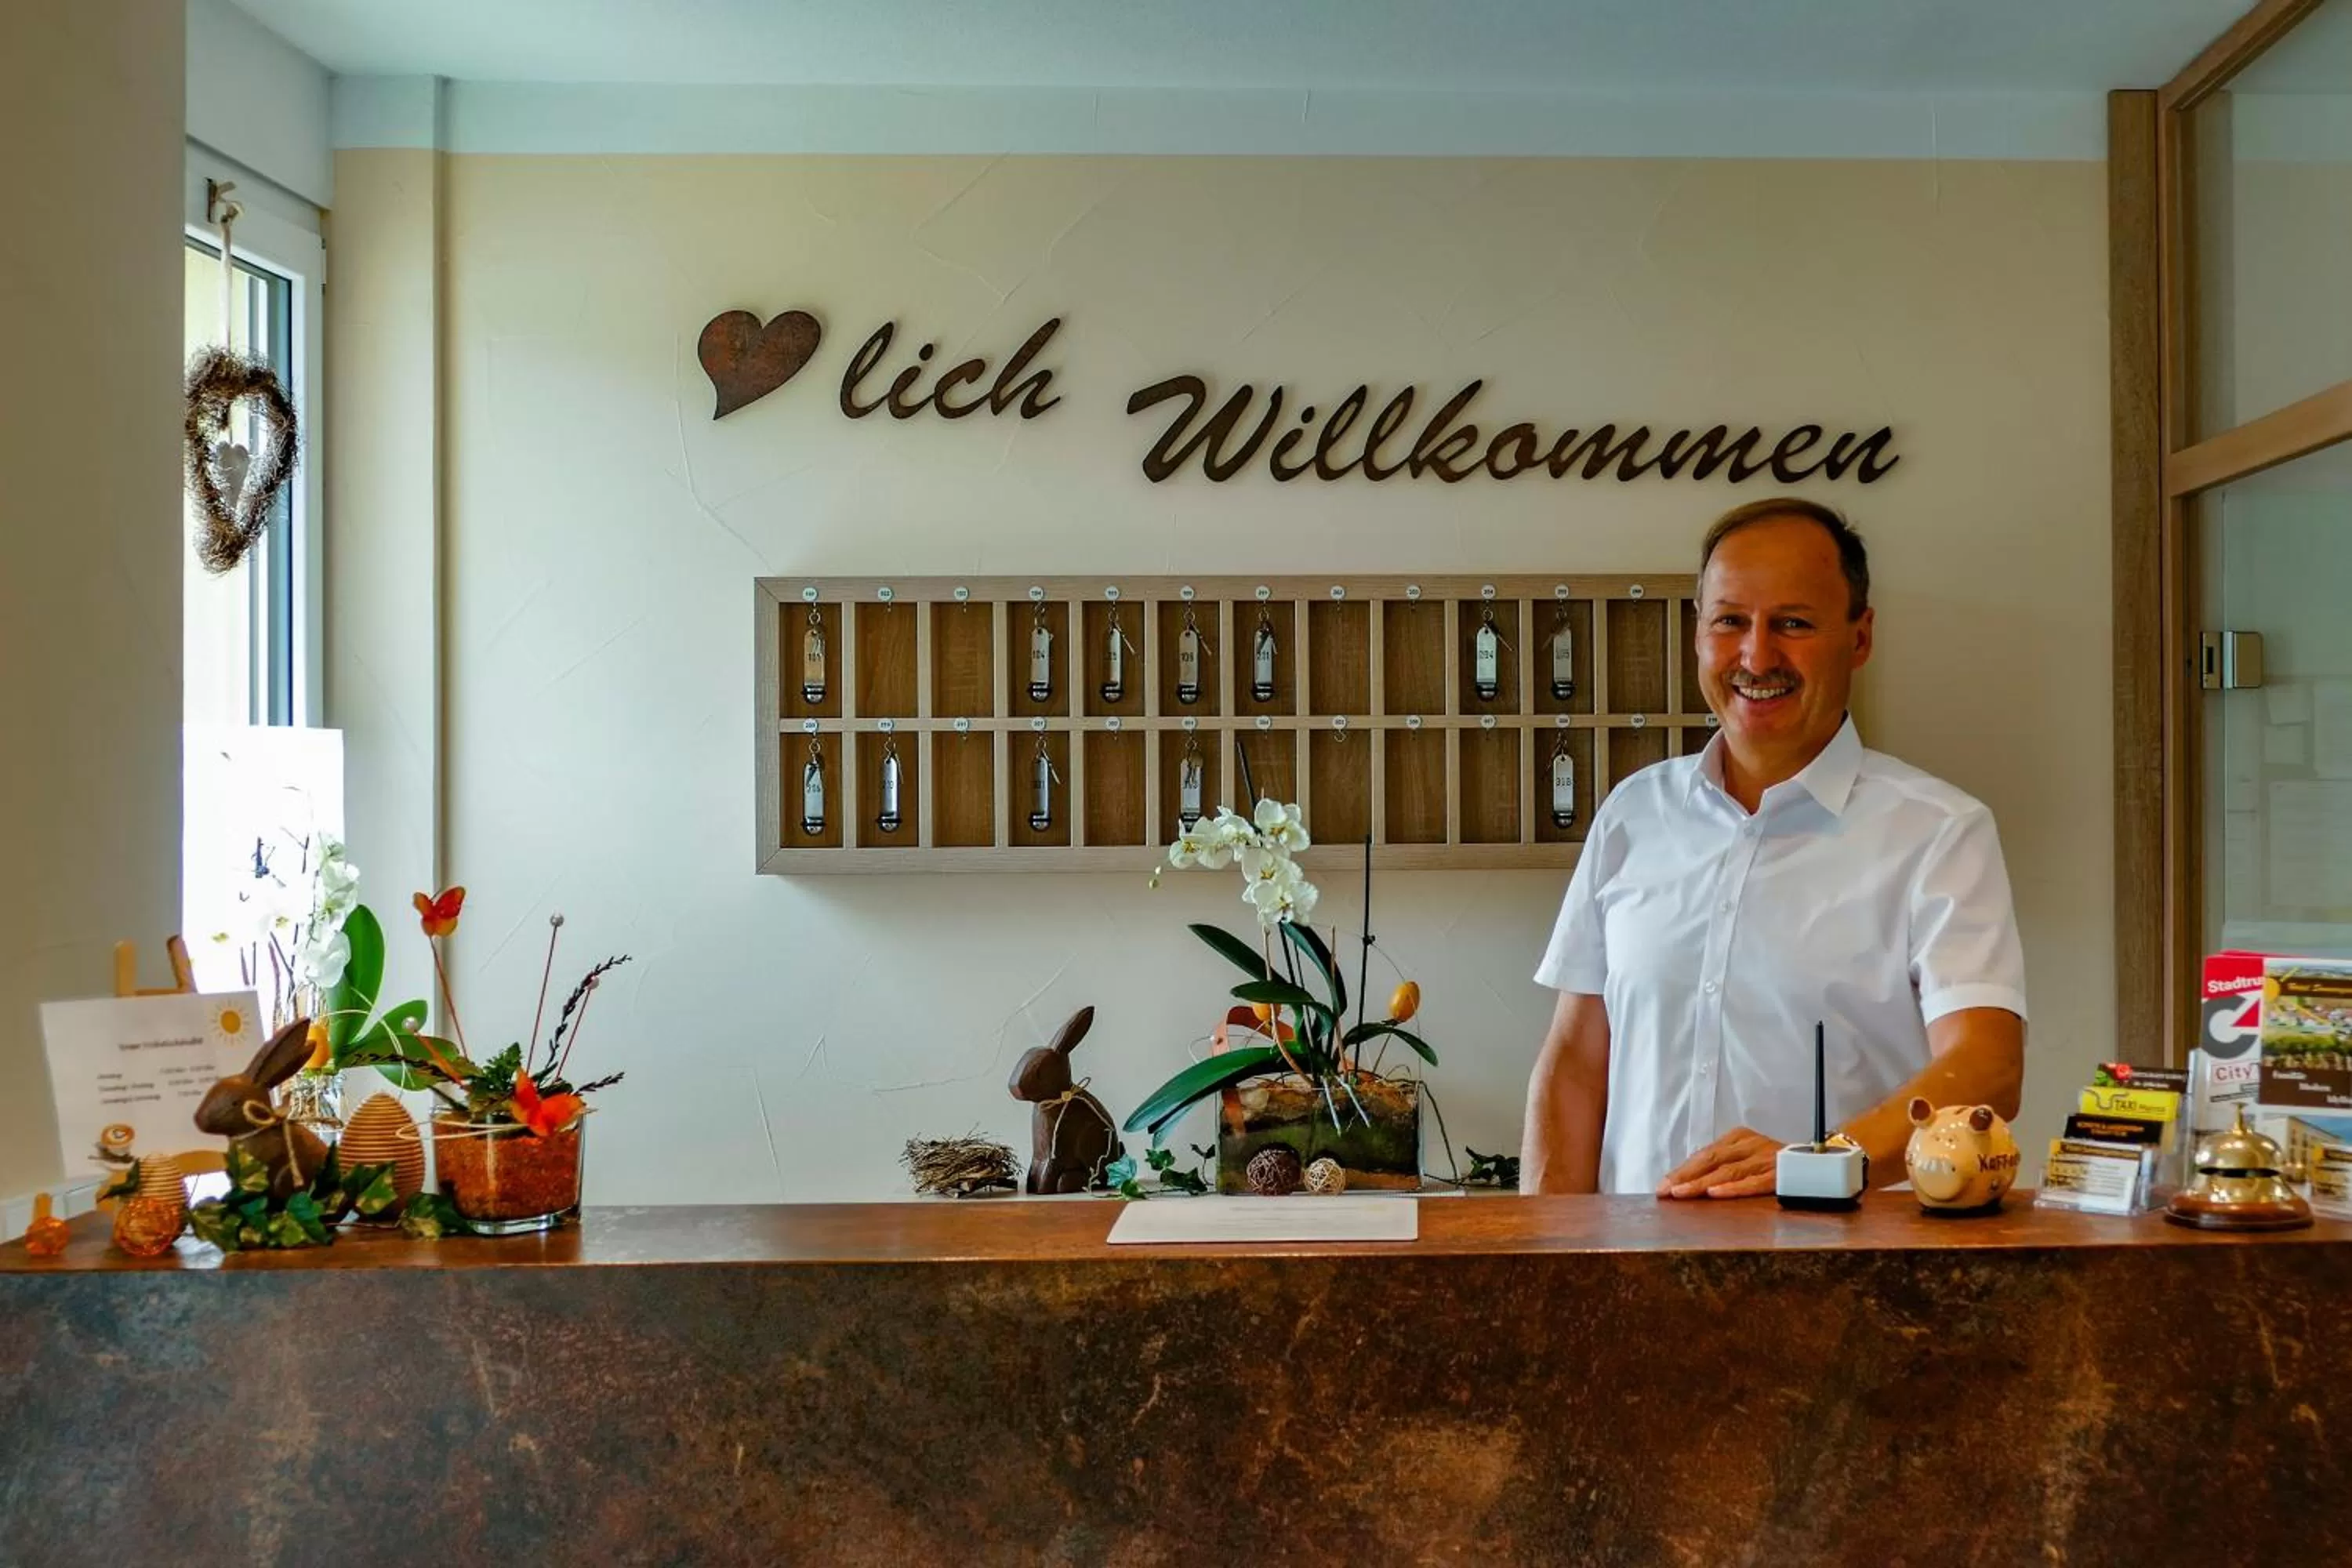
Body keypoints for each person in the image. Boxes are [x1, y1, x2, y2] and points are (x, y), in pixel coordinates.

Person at [1519, 498, 2025, 1197]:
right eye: (1730, 621)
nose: (1757, 657)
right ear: (1698, 633)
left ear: (1859, 637)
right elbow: (1577, 1064)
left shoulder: (1939, 831)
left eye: (1794, 623)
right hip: (1632, 1256)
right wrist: (1545, 1245)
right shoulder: (1633, 814)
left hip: (1843, 1257)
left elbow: (1988, 1067)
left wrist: (1824, 1162)